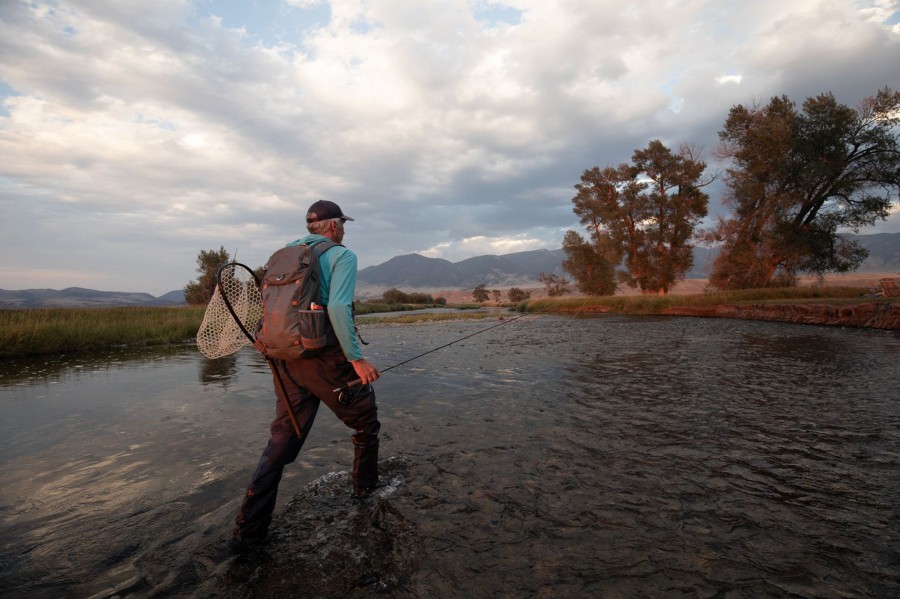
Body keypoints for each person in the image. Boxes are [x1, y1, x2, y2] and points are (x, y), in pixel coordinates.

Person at [230, 200, 382, 554]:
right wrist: (357, 361)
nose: (344, 230)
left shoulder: (285, 255)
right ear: (331, 226)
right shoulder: (342, 256)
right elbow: (338, 307)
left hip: (283, 359)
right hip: (322, 359)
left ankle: (247, 533)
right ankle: (366, 496)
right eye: (342, 224)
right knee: (365, 421)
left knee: (282, 441)